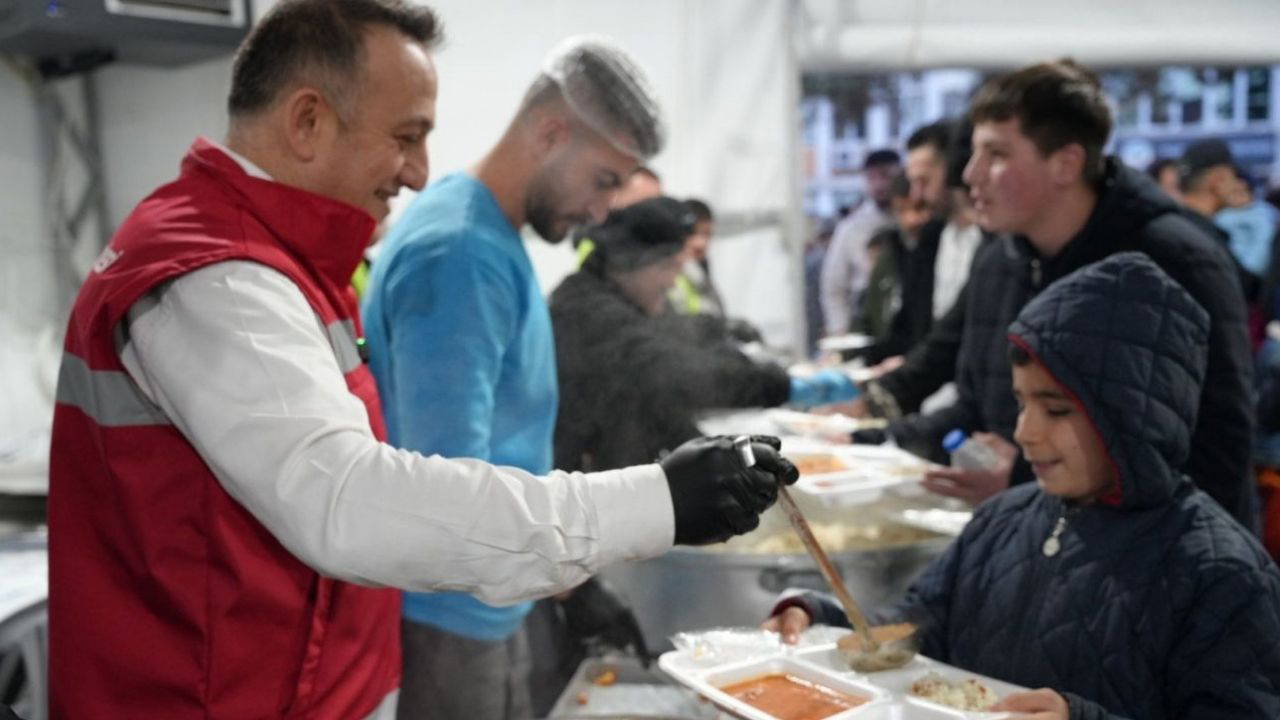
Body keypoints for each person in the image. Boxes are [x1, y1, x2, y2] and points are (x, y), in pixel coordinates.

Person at [46, 3, 797, 718]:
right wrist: (650, 504)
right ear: (308, 120)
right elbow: (356, 498)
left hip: (334, 667)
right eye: (405, 136)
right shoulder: (223, 277)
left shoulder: (287, 262)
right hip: (278, 680)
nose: (416, 171)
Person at [765, 253, 1280, 719]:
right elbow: (920, 623)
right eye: (1022, 403)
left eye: (1055, 409)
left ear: (1137, 417)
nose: (1024, 431)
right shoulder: (1002, 519)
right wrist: (825, 620)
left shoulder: (1220, 573)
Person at [359, 34, 669, 719]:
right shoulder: (460, 252)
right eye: (605, 180)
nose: (601, 212)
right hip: (451, 622)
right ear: (551, 133)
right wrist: (575, 582)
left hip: (496, 602)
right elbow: (452, 487)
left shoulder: (488, 233)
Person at [859, 60, 1257, 531]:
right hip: (1031, 540)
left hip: (1154, 565)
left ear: (1066, 163)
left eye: (997, 155)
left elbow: (1215, 445)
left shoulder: (1175, 260)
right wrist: (872, 440)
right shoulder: (1000, 260)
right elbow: (975, 404)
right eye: (974, 153)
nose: (970, 174)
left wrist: (1027, 479)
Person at [551, 196, 858, 473]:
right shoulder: (588, 311)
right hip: (581, 479)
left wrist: (717, 458)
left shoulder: (619, 298)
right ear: (636, 264)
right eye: (671, 267)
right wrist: (782, 386)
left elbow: (670, 365)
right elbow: (672, 372)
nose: (674, 282)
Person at [820, 148, 900, 335]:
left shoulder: (912, 220)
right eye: (872, 178)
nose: (879, 185)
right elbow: (834, 287)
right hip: (863, 318)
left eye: (885, 176)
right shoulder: (850, 227)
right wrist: (839, 329)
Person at [667, 197, 726, 317]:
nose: (701, 243)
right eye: (693, 233)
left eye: (707, 234)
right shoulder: (663, 274)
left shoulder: (701, 270)